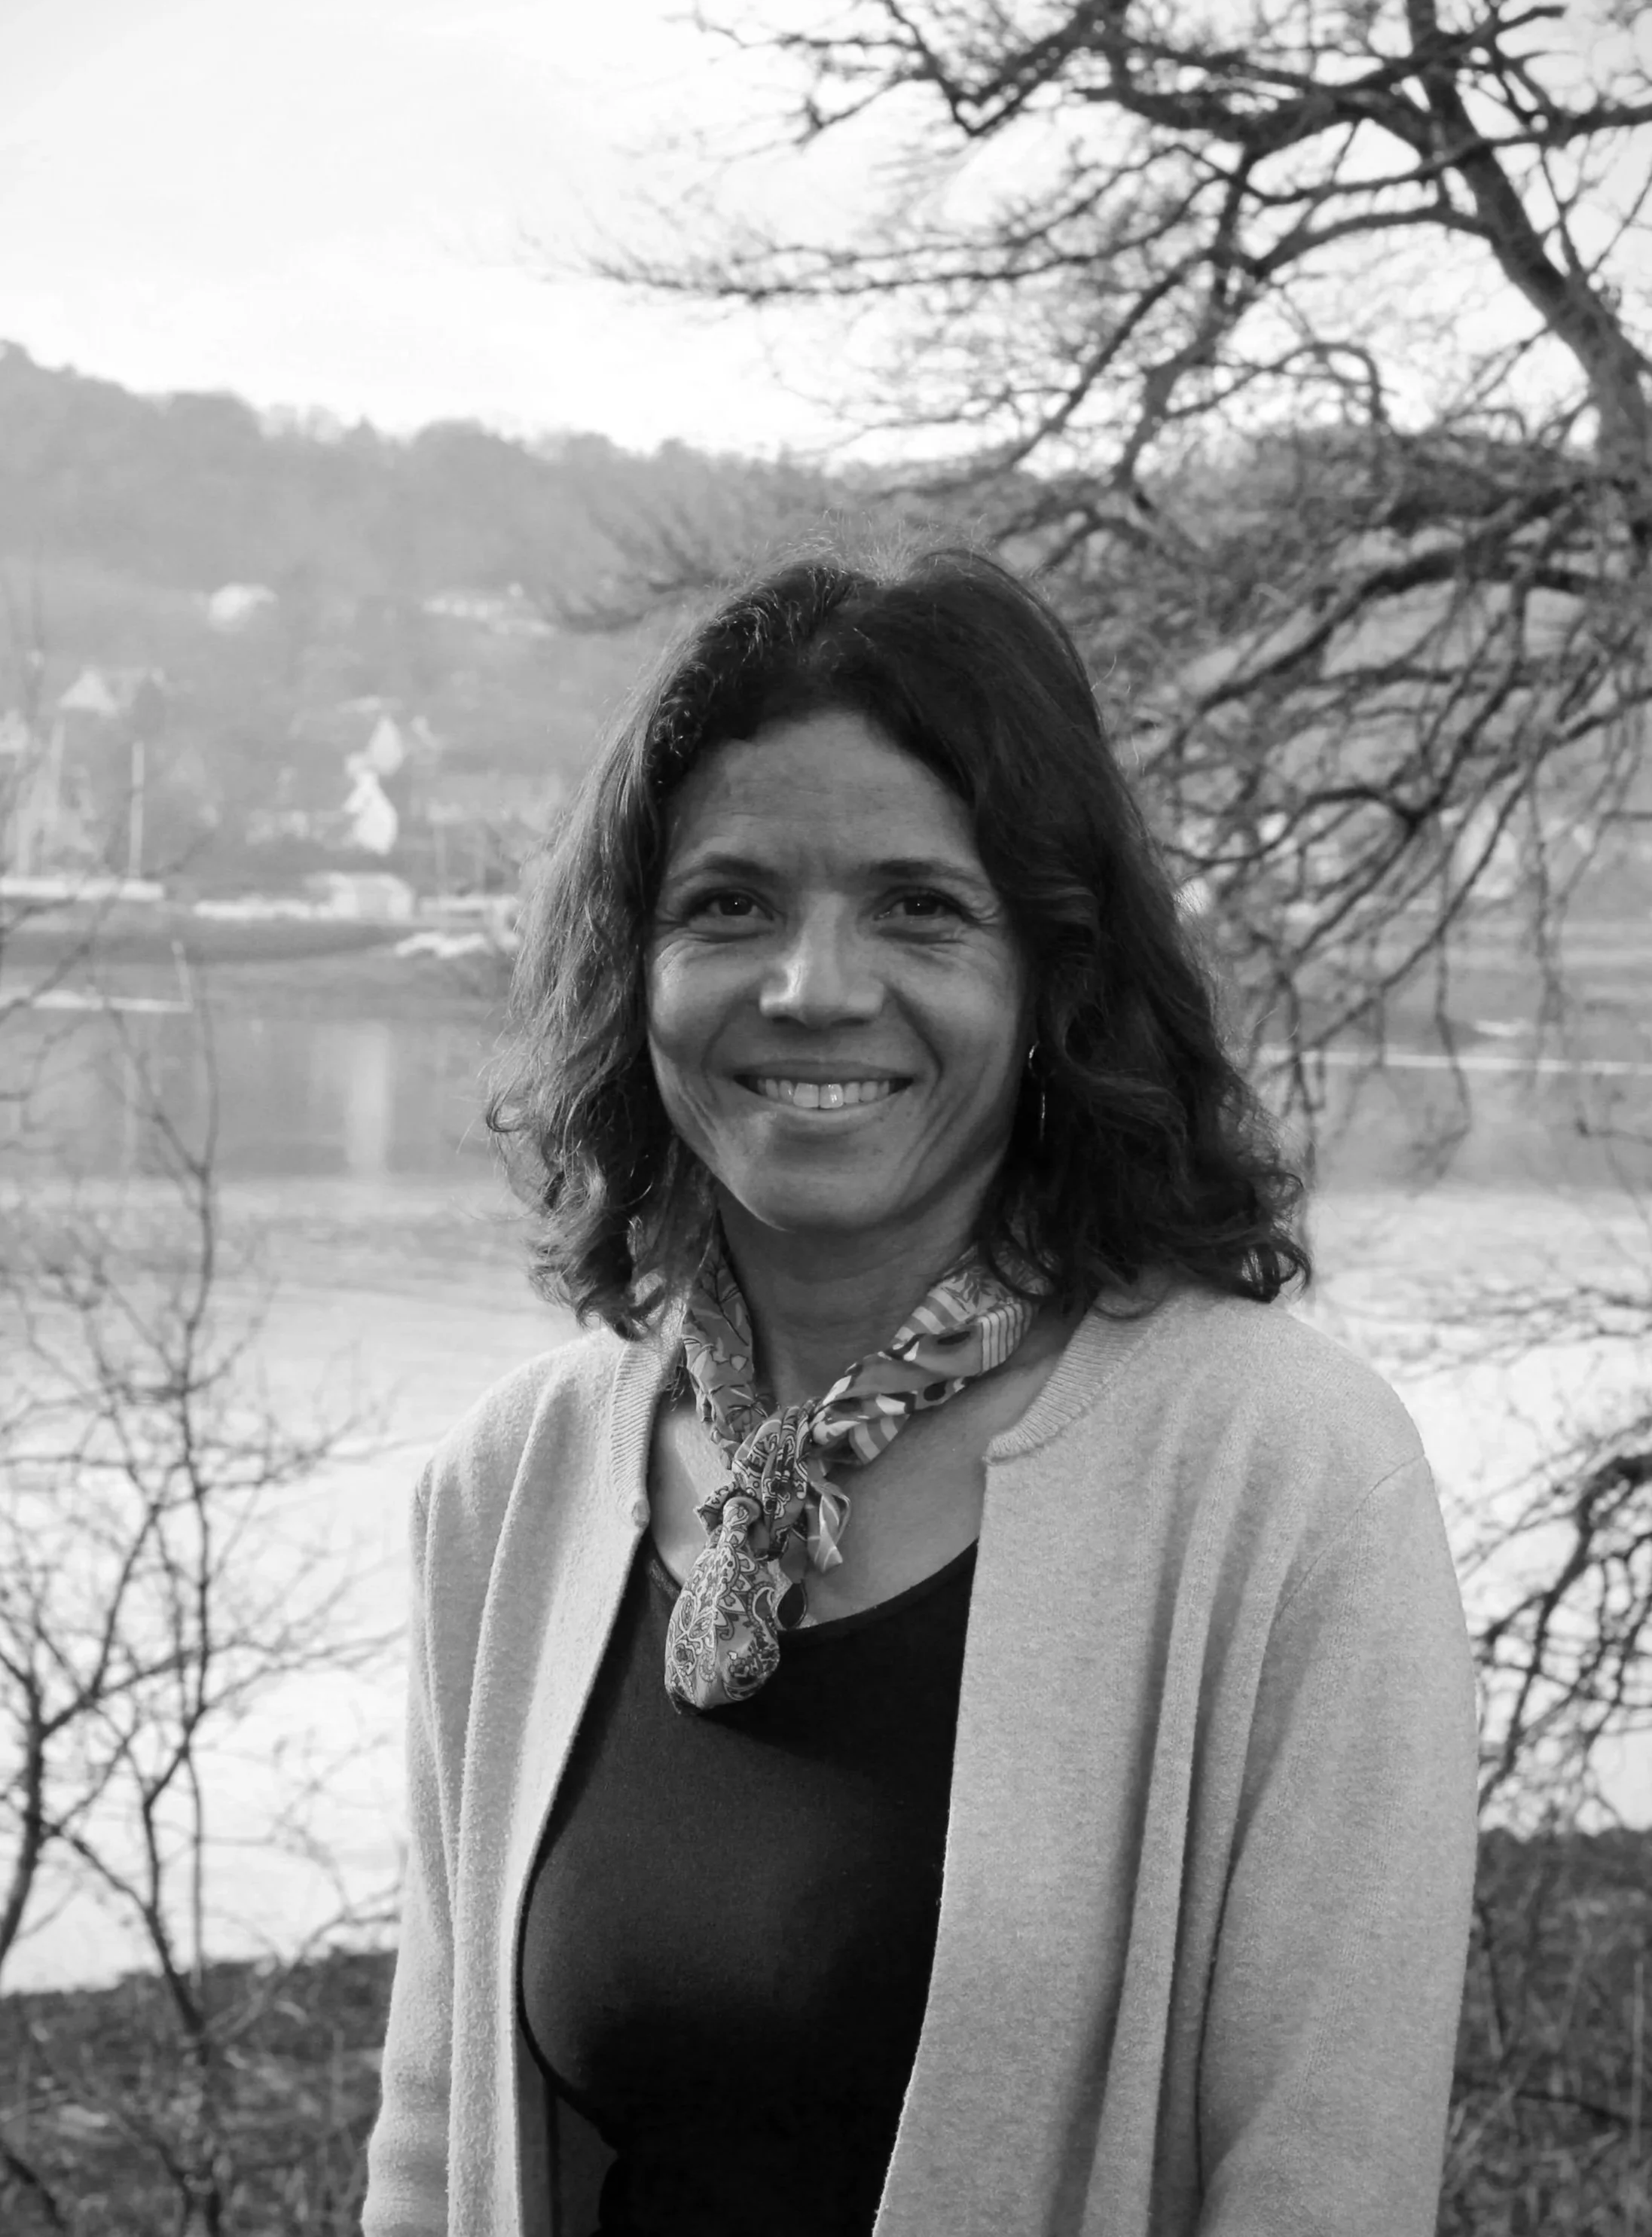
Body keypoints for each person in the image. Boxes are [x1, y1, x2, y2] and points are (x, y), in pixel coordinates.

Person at [362, 545, 1479, 2237]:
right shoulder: (508, 1482)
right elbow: (431, 2144)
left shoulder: (1283, 1473)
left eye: (920, 908)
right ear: (633, 972)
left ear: (1053, 978)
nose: (813, 986)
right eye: (727, 904)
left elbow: (1326, 2183)